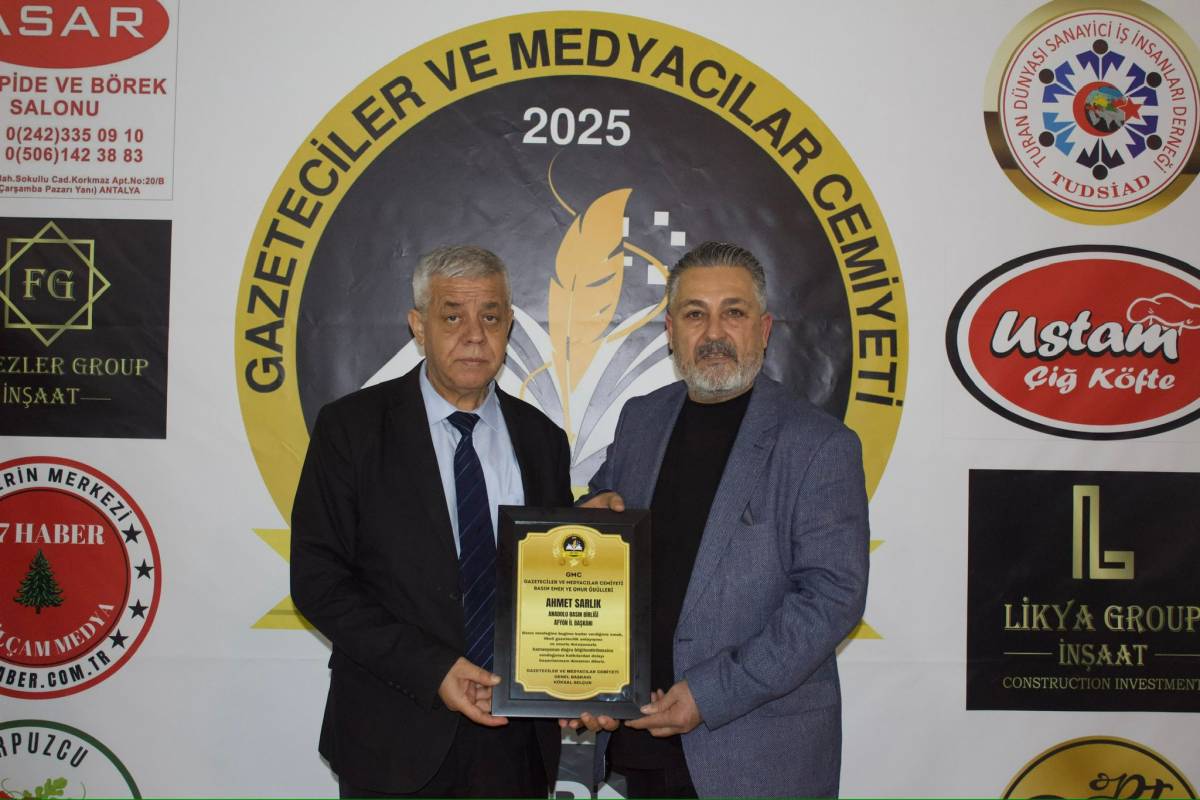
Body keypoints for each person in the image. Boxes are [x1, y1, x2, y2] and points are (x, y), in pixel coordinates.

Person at [573, 241, 870, 798]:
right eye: (694, 314)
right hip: (641, 744)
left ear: (764, 328)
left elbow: (833, 597)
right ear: (670, 331)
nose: (714, 333)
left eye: (733, 312)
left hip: (755, 757)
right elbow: (600, 522)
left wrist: (711, 695)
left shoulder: (818, 444)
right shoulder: (641, 420)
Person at [291, 245, 573, 798]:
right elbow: (318, 581)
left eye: (490, 316)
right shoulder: (351, 429)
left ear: (509, 326)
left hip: (515, 742)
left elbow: (558, 584)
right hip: (393, 732)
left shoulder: (542, 440)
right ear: (418, 326)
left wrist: (578, 678)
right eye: (452, 316)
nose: (474, 335)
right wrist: (434, 669)